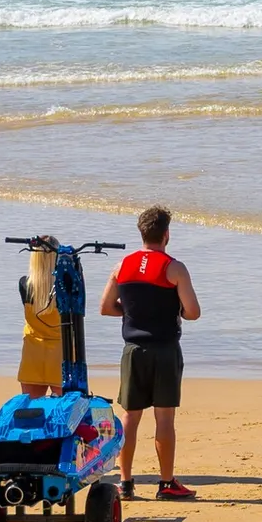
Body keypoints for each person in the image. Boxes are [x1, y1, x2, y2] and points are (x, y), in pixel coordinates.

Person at [99, 204, 202, 500]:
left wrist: (132, 313)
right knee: (164, 419)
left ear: (141, 233)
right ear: (166, 234)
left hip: (133, 350)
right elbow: (193, 312)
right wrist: (172, 310)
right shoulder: (174, 267)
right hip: (165, 349)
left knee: (130, 418)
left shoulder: (122, 265)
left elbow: (106, 308)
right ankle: (166, 482)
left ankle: (126, 482)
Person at [17, 237, 63, 397]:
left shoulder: (24, 284)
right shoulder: (65, 286)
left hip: (33, 350)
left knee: (31, 412)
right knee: (64, 412)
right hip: (60, 352)